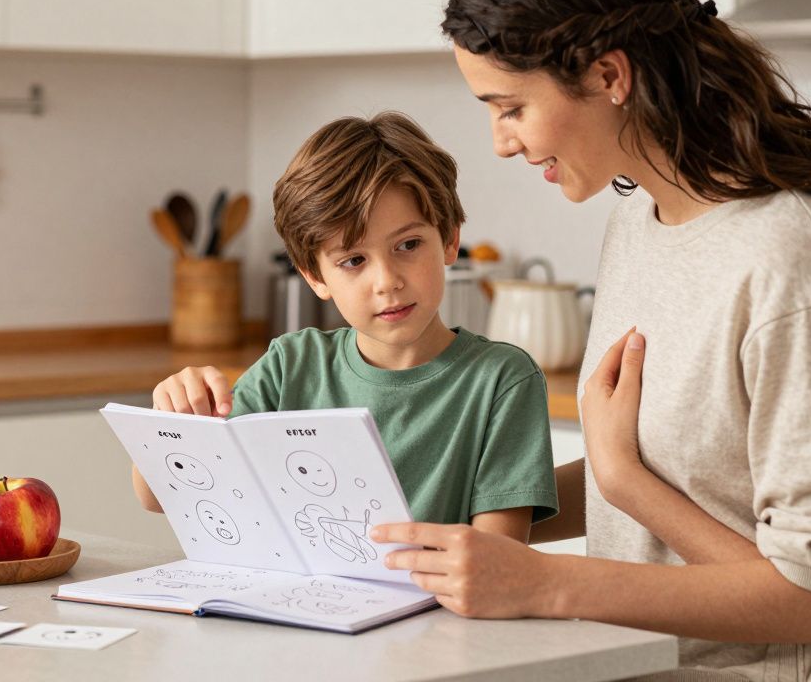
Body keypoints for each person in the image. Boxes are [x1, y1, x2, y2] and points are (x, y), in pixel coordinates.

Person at [371, 0, 811, 680]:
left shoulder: (792, 261)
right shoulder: (641, 223)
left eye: (511, 108)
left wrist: (548, 579)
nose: (502, 142)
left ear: (609, 75)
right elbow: (660, 475)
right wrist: (459, 515)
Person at [132, 111, 557, 541]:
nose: (387, 280)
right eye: (353, 261)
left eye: (408, 245)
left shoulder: (502, 381)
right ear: (315, 277)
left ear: (449, 240)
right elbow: (157, 497)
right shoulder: (290, 367)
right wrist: (174, 420)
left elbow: (497, 559)